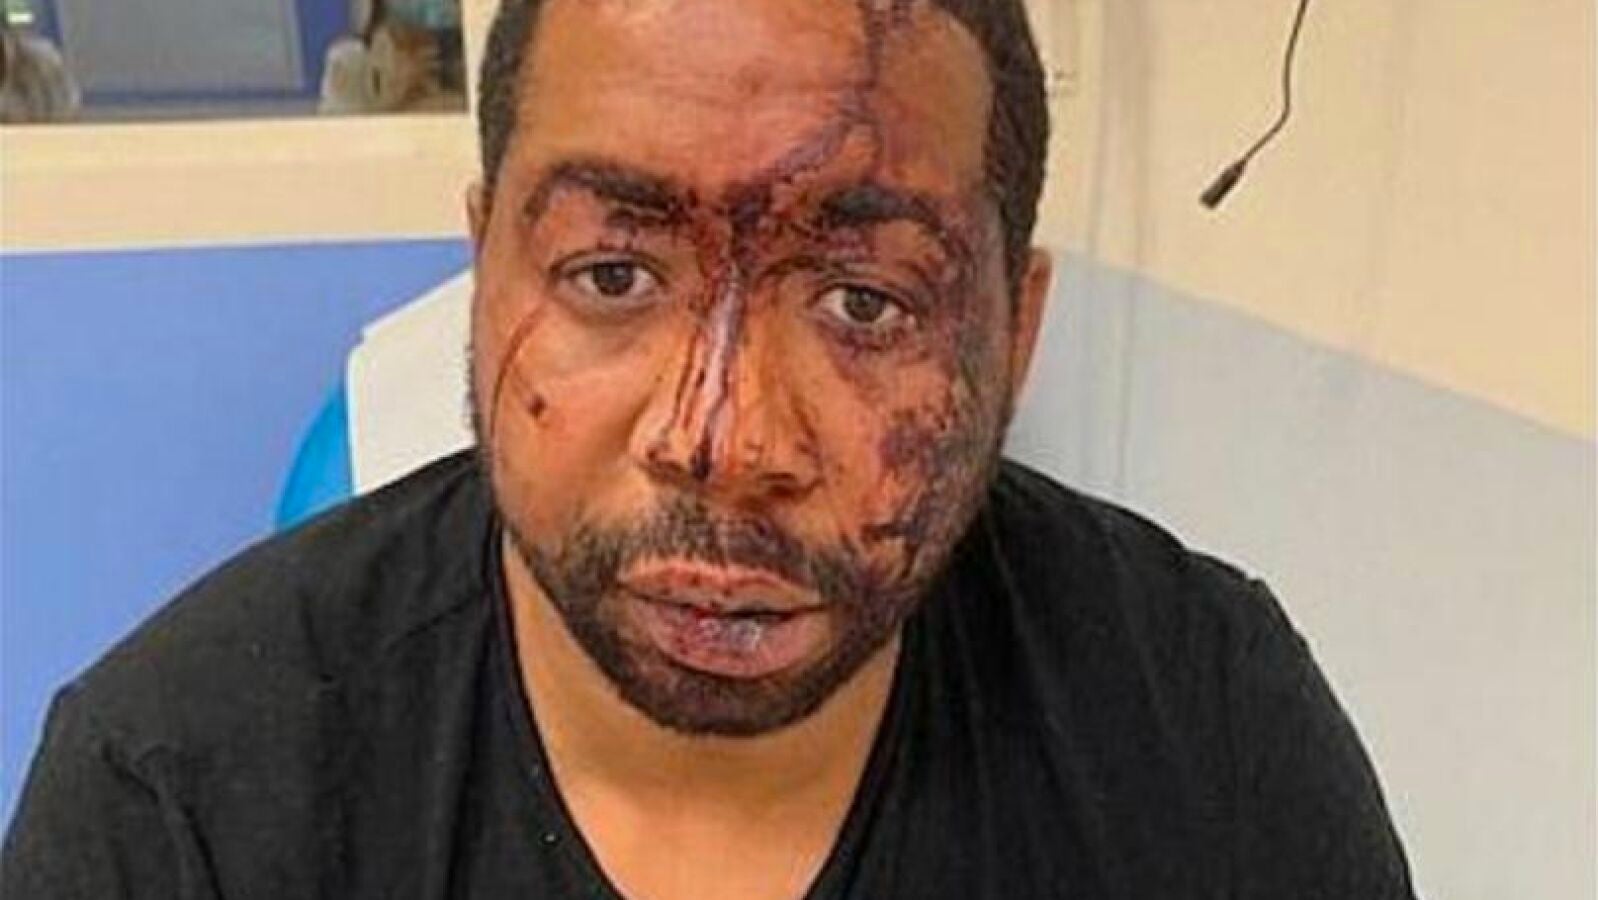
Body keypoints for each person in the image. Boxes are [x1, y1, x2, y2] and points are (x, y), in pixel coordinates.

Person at [1, 0, 1418, 896]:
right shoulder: (178, 803)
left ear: (1016, 329)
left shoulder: (1206, 735)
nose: (722, 440)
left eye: (865, 302)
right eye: (613, 274)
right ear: (487, 266)